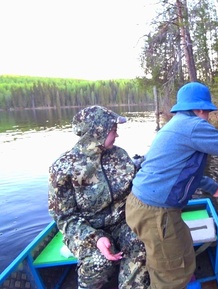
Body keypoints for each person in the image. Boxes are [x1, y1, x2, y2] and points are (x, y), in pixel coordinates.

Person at [126, 82, 218, 289]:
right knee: (172, 274)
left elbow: (178, 170)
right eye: (209, 112)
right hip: (157, 214)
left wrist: (210, 185)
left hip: (140, 206)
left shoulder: (174, 125)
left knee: (181, 249)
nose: (209, 116)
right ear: (201, 109)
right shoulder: (194, 126)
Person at [48, 105, 149, 289]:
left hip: (122, 222)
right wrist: (94, 238)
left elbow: (135, 177)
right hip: (86, 228)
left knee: (142, 243)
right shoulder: (63, 169)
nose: (117, 135)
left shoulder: (119, 155)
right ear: (97, 133)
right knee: (98, 261)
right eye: (113, 130)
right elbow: (64, 218)